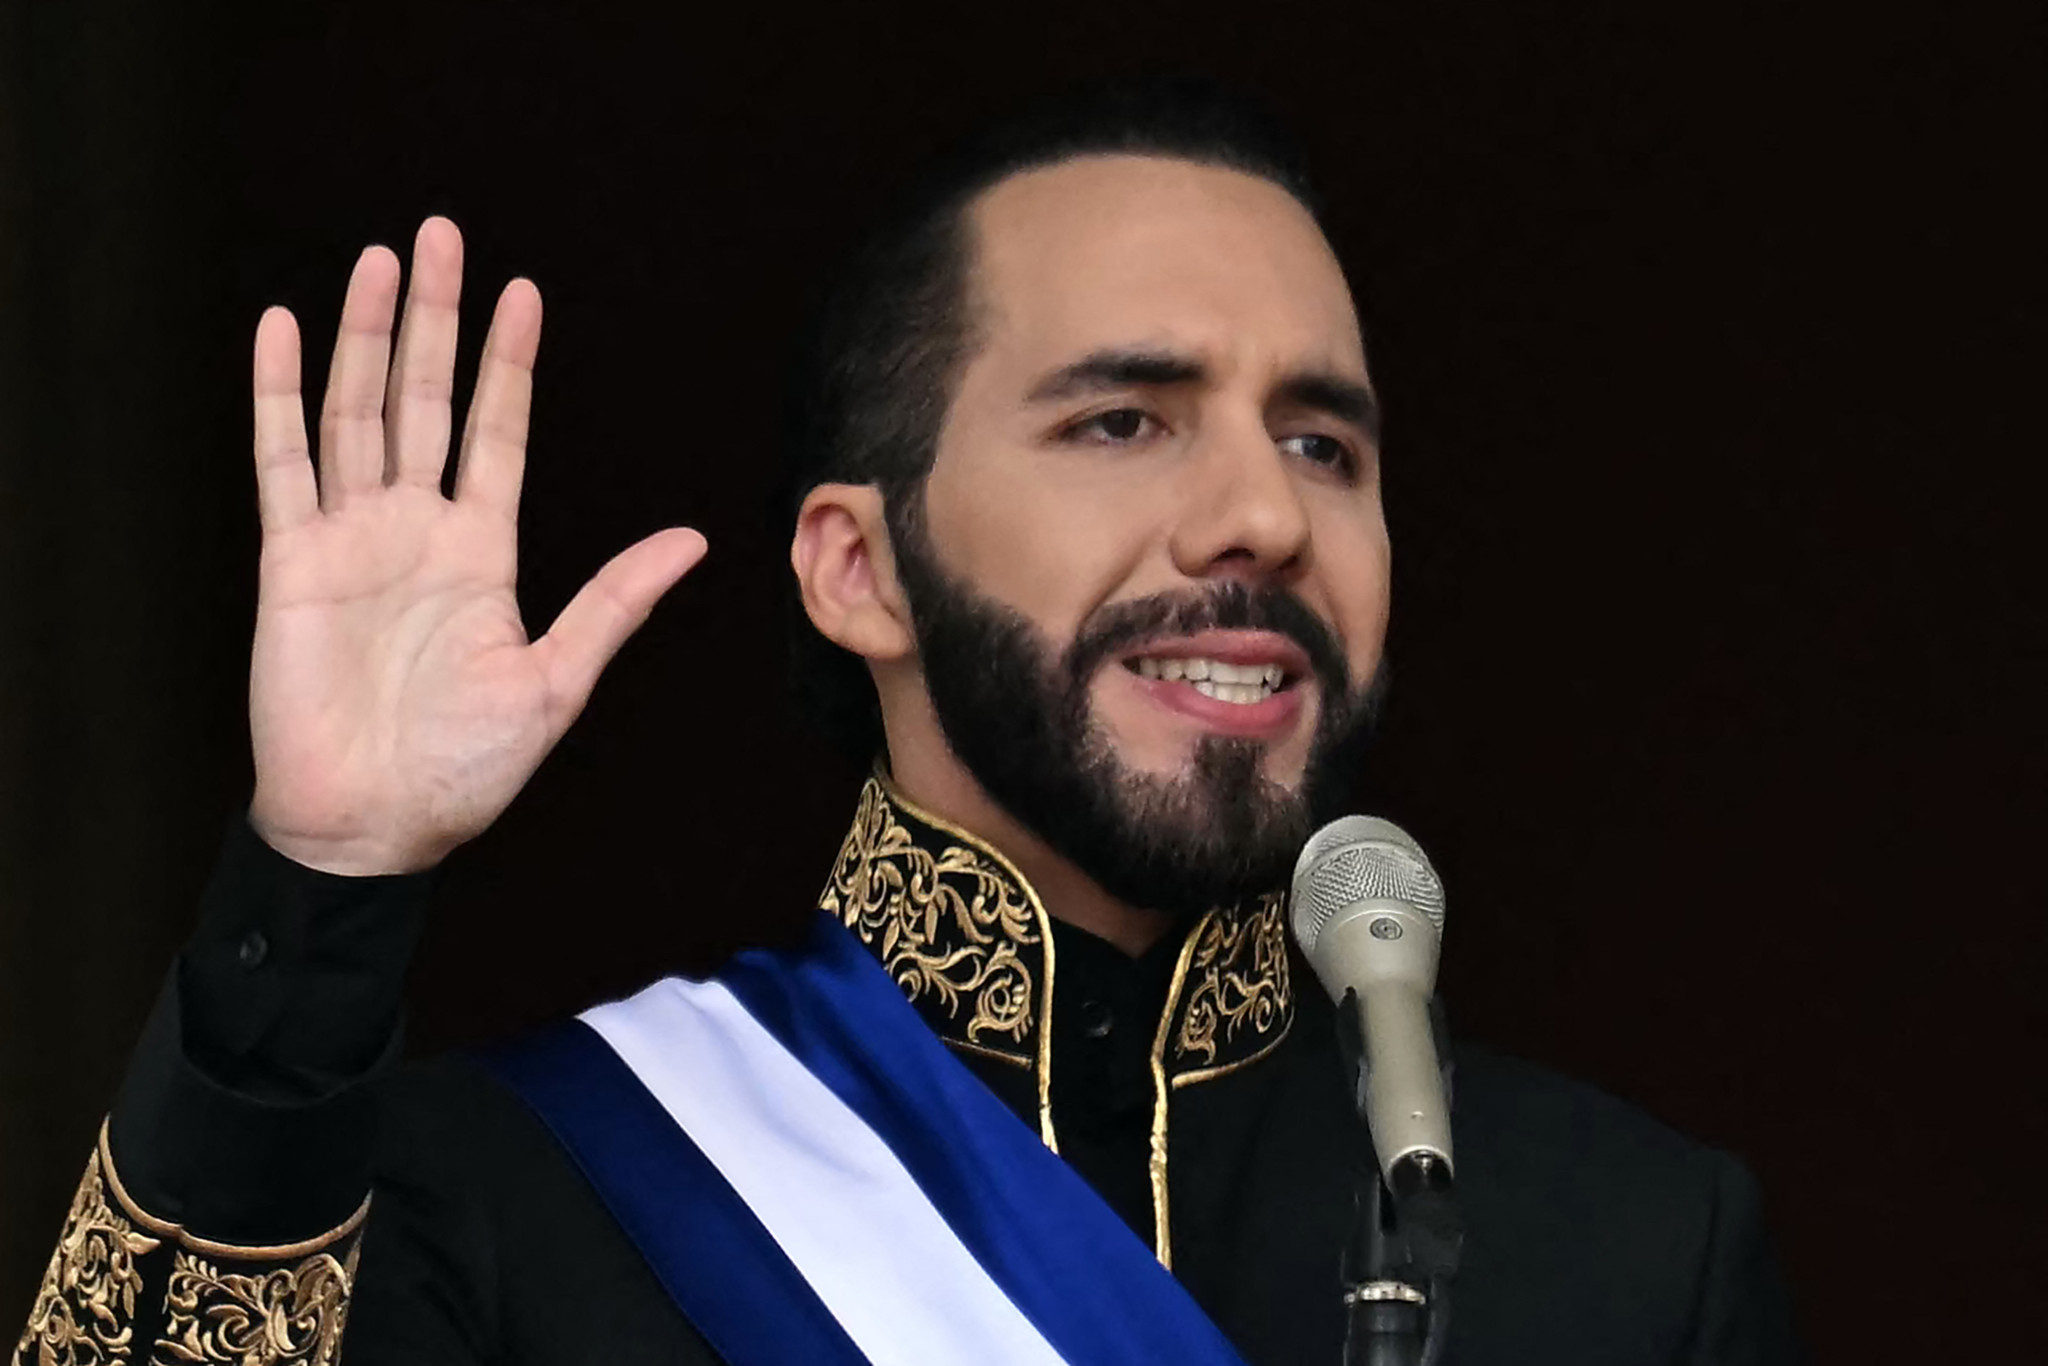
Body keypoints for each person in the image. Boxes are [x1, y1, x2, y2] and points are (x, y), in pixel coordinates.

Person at [12, 82, 1800, 1366]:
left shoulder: (1627, 1243)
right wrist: (319, 880)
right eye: (1126, 420)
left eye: (1325, 441)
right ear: (858, 566)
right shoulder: (539, 1191)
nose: (1261, 512)